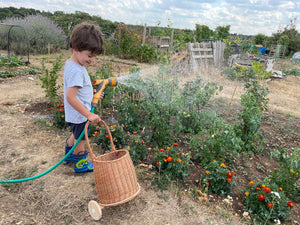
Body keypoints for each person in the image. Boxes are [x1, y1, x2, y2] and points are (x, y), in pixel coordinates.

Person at [63, 22, 104, 173]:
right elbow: (71, 97)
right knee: (81, 138)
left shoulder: (75, 65)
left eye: (94, 57)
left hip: (76, 114)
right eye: (89, 55)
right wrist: (89, 114)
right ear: (76, 49)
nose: (92, 60)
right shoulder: (76, 71)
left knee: (76, 134)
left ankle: (68, 154)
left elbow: (77, 90)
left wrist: (91, 93)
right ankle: (80, 164)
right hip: (79, 115)